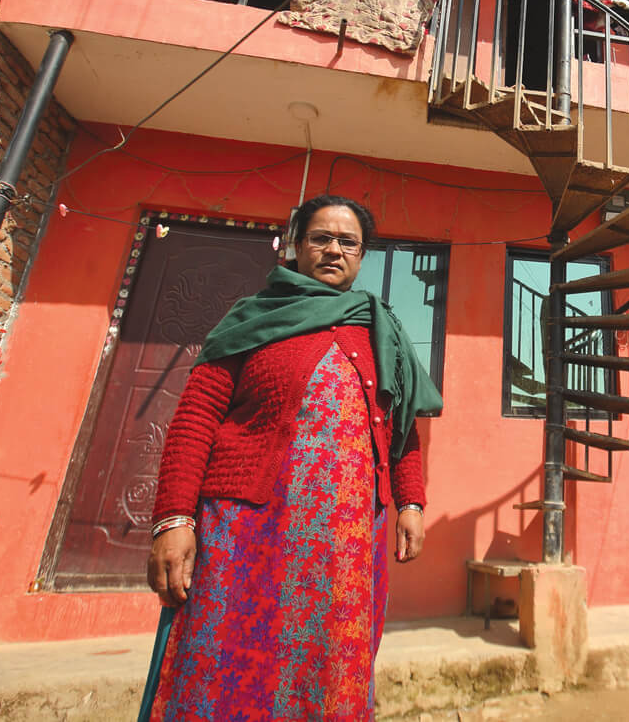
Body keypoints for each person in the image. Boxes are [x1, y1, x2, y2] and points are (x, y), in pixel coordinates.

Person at [143, 194, 442, 721]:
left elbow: (401, 430)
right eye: (320, 238)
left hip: (345, 543)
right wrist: (173, 519)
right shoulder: (252, 320)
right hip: (246, 532)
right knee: (222, 658)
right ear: (297, 246)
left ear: (362, 254)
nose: (333, 250)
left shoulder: (379, 331)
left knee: (327, 667)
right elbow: (195, 417)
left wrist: (411, 502)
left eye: (347, 242)